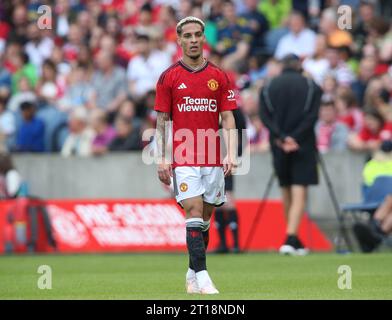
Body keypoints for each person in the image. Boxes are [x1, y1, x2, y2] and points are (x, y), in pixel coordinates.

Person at [154, 16, 237, 294]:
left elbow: (228, 118)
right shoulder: (169, 77)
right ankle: (203, 277)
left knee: (204, 220)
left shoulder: (219, 76)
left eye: (197, 35)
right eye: (187, 36)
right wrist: (162, 157)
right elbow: (163, 121)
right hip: (184, 158)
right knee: (192, 212)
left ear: (204, 39)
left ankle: (191, 272)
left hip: (213, 159)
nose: (192, 40)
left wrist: (231, 153)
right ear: (178, 40)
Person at [259, 54, 322, 256]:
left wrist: (281, 137)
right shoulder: (311, 86)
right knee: (299, 190)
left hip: (278, 145)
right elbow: (312, 117)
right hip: (302, 144)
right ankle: (290, 237)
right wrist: (293, 138)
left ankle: (293, 238)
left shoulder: (268, 87)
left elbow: (265, 117)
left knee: (285, 189)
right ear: (299, 66)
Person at [353, 140, 392, 253]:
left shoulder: (374, 163)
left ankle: (375, 232)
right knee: (390, 198)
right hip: (383, 199)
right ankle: (377, 231)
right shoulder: (373, 164)